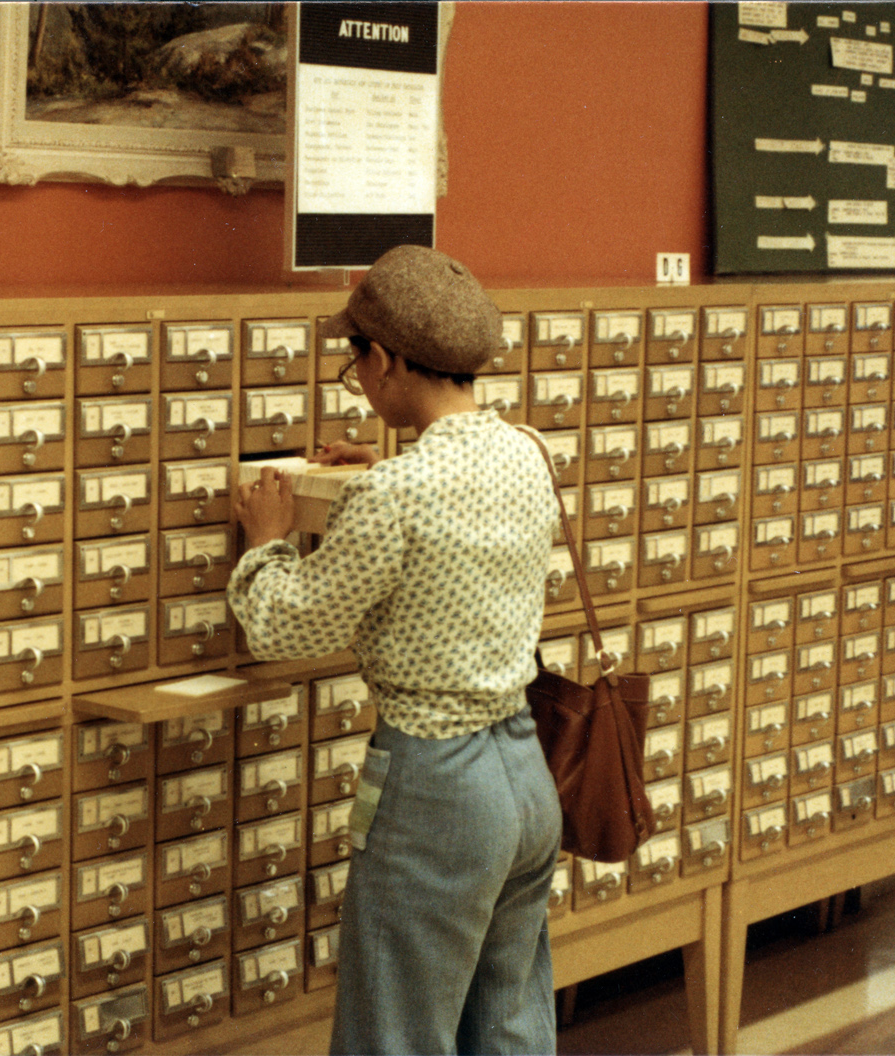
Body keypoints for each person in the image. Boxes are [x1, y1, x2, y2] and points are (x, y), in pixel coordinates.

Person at [227, 244, 562, 1055]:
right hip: (524, 774)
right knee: (511, 1025)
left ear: (382, 360)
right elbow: (452, 524)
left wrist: (266, 544)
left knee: (395, 1036)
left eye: (356, 364)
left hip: (435, 789)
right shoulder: (525, 450)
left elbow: (288, 627)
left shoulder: (397, 493)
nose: (359, 380)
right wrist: (377, 473)